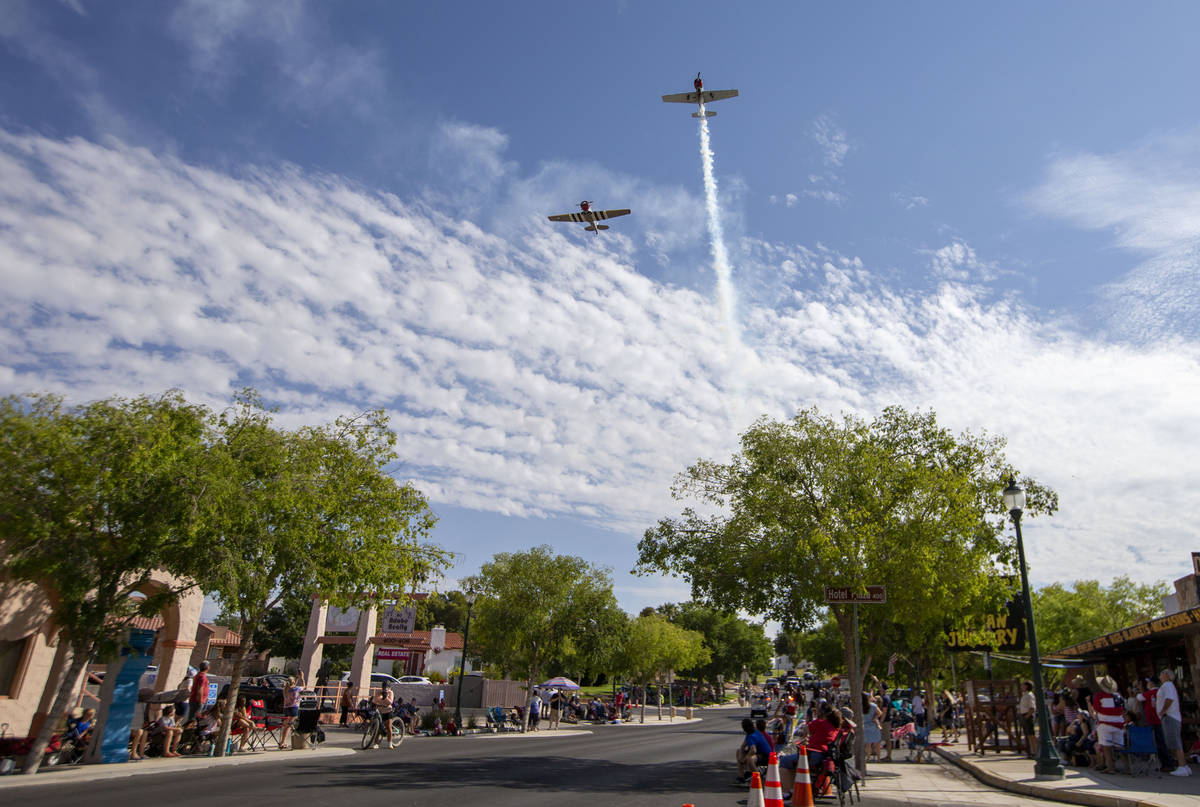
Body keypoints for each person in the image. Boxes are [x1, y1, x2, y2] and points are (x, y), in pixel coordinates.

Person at [1157, 668, 1191, 776]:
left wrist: (1162, 711)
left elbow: (1169, 699)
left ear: (1166, 675)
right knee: (1175, 741)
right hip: (1171, 716)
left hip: (1170, 716)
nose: (1160, 676)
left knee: (1174, 742)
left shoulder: (1167, 685)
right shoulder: (1169, 686)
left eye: (1161, 673)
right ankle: (1184, 765)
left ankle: (1181, 765)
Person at [1091, 675, 1125, 773]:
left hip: (1105, 724)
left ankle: (1111, 767)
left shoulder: (1099, 696)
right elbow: (1123, 709)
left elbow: (1096, 709)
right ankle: (1127, 767)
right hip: (1119, 723)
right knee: (1120, 746)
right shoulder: (1118, 696)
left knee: (1106, 747)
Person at [1136, 677, 1169, 770]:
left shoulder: (1152, 692)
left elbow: (1139, 697)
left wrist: (1140, 689)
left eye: (1149, 682)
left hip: (1155, 720)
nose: (1147, 684)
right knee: (1159, 742)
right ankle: (1164, 763)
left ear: (1152, 684)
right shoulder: (1157, 692)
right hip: (1156, 720)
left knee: (1159, 742)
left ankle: (1166, 763)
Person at [735, 717, 771, 785]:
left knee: (750, 758)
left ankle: (757, 777)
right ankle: (741, 776)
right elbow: (743, 746)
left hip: (766, 756)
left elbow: (753, 750)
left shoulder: (753, 735)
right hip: (759, 754)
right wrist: (740, 757)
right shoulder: (749, 734)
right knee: (738, 751)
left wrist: (744, 758)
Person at [277, 674, 303, 749]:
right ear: (294, 682)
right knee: (289, 726)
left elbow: (292, 686)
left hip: (286, 708)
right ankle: (283, 742)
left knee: (286, 726)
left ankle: (282, 742)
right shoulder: (297, 689)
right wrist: (302, 678)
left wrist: (297, 679)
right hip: (294, 708)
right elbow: (304, 686)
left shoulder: (285, 689)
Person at [1017, 680, 1037, 757]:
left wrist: (1027, 716)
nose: (1022, 686)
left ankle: (1036, 750)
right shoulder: (1024, 695)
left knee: (1032, 734)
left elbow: (1032, 707)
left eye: (1023, 685)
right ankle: (1031, 751)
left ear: (1027, 686)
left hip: (1027, 715)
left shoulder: (1030, 695)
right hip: (1023, 715)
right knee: (1028, 735)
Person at [187, 660, 210, 727]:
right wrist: (200, 702)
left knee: (195, 720)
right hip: (197, 701)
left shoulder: (199, 675)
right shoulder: (201, 676)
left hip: (198, 700)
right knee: (193, 720)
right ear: (207, 667)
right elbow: (200, 689)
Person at [863, 694, 882, 760]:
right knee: (877, 742)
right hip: (873, 724)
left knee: (868, 743)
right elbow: (880, 713)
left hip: (865, 725)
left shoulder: (861, 706)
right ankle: (878, 758)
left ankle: (868, 757)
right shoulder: (873, 705)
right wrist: (875, 717)